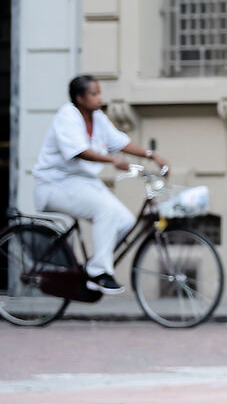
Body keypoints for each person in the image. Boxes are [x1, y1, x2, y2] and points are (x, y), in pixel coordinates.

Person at [29, 77, 169, 296]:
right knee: (105, 211)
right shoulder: (67, 117)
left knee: (126, 222)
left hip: (82, 183)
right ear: (80, 98)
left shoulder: (98, 118)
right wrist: (112, 160)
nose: (99, 98)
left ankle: (91, 267)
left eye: (99, 93)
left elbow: (121, 142)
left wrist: (152, 155)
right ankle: (99, 273)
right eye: (94, 94)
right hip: (54, 185)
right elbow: (81, 151)